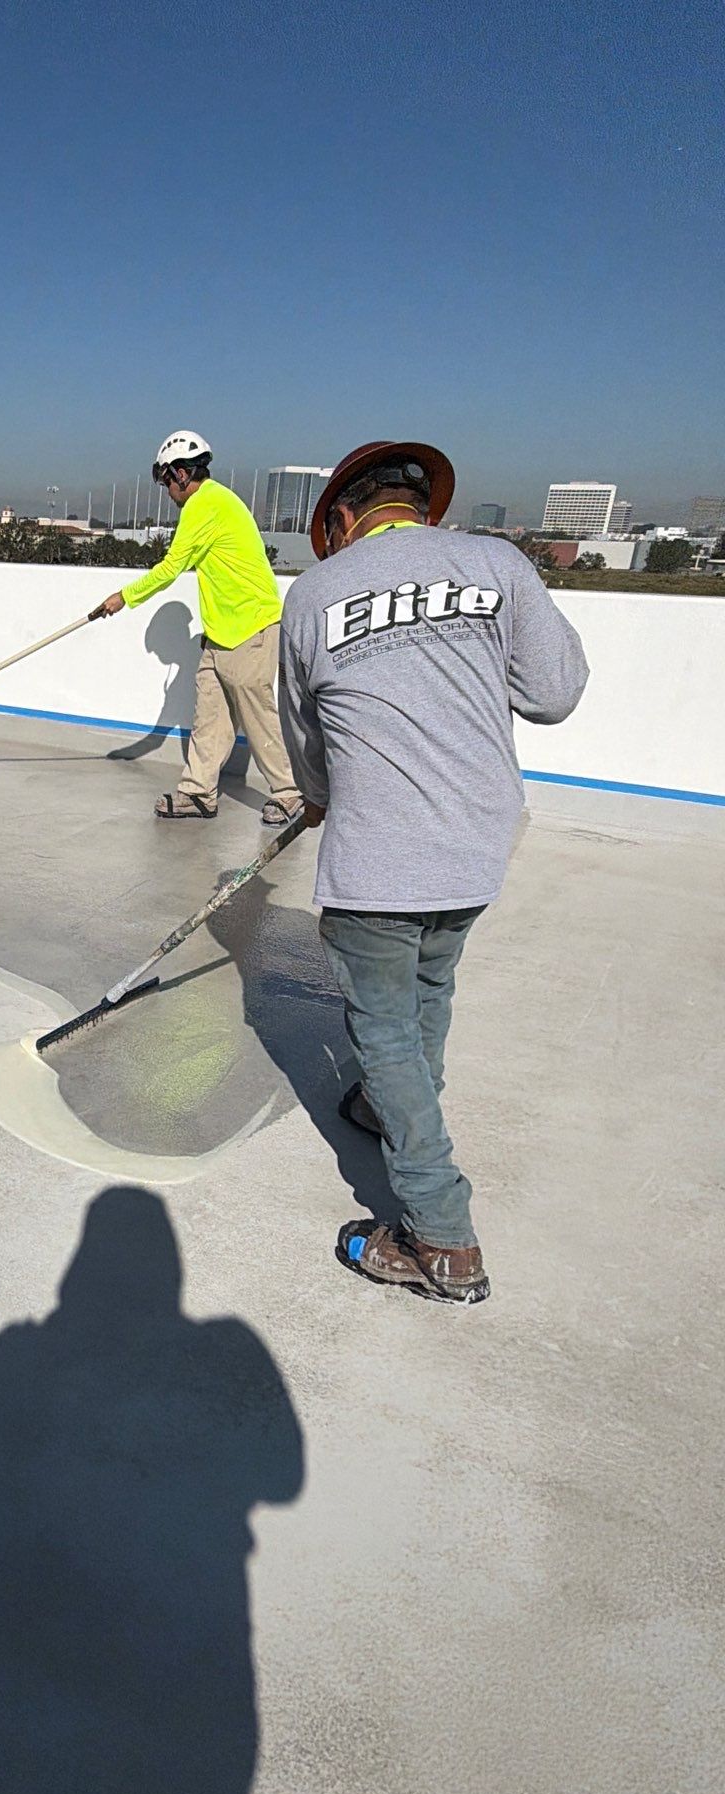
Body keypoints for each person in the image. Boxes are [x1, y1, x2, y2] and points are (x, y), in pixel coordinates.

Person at [278, 440, 589, 1306]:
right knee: (430, 984)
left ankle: (439, 1235)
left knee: (383, 1029)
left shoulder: (311, 596)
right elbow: (555, 693)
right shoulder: (498, 563)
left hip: (378, 857)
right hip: (479, 848)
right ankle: (387, 1106)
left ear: (341, 518)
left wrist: (315, 796)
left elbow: (305, 744)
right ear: (421, 509)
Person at [92, 431, 302, 826]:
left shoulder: (205, 504)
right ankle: (199, 793)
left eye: (165, 480)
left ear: (182, 474)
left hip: (251, 627)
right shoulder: (213, 502)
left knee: (256, 713)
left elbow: (172, 567)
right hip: (222, 634)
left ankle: (289, 793)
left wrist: (123, 597)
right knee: (209, 715)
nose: (166, 490)